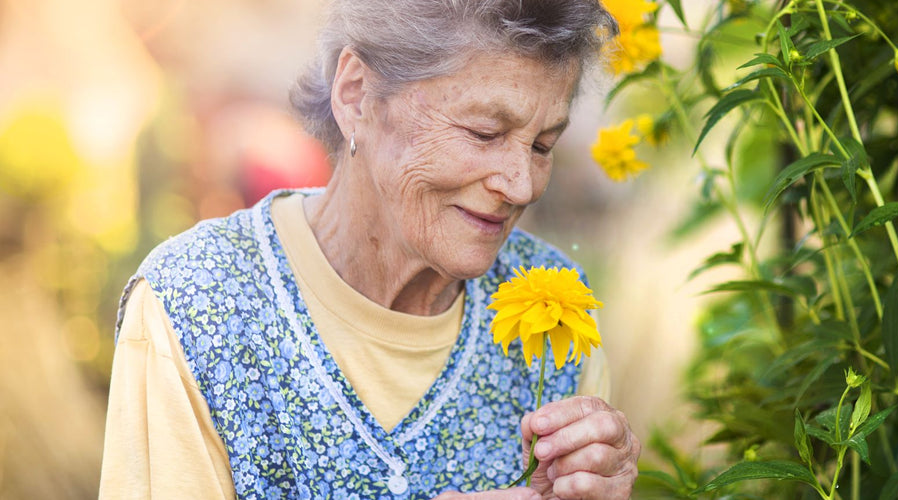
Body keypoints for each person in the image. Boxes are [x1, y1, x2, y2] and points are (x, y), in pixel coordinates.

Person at [99, 1, 641, 498]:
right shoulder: (195, 302)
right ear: (356, 94)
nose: (521, 185)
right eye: (482, 133)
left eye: (543, 145)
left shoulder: (555, 305)